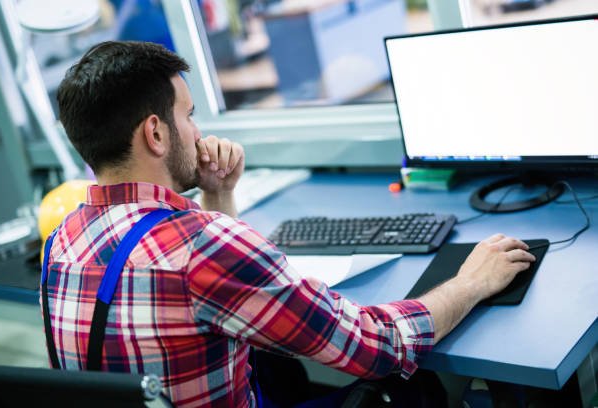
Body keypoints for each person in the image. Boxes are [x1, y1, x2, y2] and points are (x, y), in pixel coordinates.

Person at [42, 41, 536, 407]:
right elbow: (373, 347)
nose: (197, 133)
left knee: (278, 368)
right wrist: (470, 283)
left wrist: (218, 193)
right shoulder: (203, 246)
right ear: (155, 132)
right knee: (414, 390)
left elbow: (208, 301)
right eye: (188, 116)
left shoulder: (61, 240)